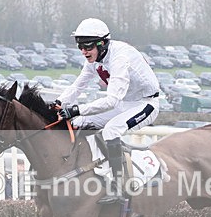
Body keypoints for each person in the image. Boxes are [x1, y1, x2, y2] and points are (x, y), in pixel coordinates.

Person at [56, 18, 160, 204]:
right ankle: (89, 171)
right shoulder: (94, 59)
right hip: (124, 103)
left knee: (111, 130)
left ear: (102, 43)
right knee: (77, 123)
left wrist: (77, 109)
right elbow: (77, 86)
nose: (83, 51)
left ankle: (120, 186)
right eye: (80, 46)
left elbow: (112, 100)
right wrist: (58, 103)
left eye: (87, 46)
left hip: (145, 103)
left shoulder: (120, 57)